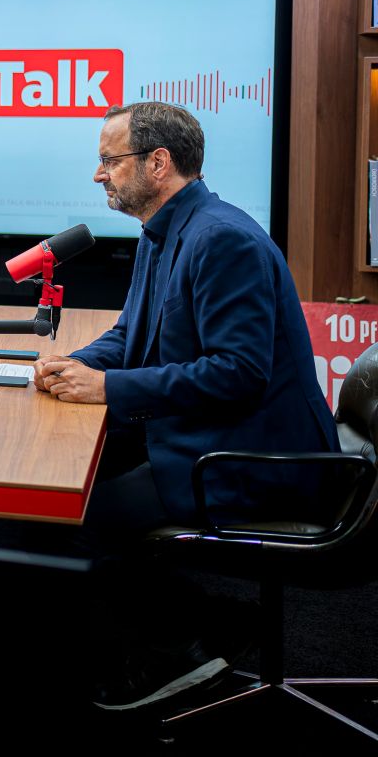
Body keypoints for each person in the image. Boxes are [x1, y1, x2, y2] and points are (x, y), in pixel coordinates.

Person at [34, 101, 337, 711]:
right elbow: (133, 333)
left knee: (75, 516)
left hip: (254, 457)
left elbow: (239, 374)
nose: (99, 174)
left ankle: (185, 648)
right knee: (65, 488)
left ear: (158, 163)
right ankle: (200, 621)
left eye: (109, 160)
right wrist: (81, 365)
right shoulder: (164, 231)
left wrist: (110, 390)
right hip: (207, 434)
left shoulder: (220, 240)